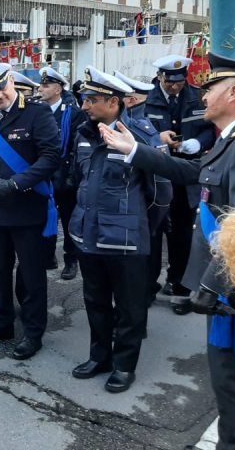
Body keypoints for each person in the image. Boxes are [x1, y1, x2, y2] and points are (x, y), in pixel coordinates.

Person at [100, 53, 235, 449]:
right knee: (227, 382)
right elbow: (196, 173)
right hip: (228, 286)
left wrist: (211, 284)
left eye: (210, 89)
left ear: (233, 93)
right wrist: (135, 150)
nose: (202, 97)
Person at [67, 67, 157, 393]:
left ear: (114, 102)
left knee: (130, 308)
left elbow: (159, 195)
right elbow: (80, 181)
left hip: (127, 240)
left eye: (92, 100)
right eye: (84, 99)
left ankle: (124, 365)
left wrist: (138, 228)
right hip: (89, 235)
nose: (85, 106)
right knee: (96, 301)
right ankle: (100, 356)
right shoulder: (84, 134)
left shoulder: (141, 135)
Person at [0, 63, 59, 360]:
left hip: (27, 208)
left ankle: (33, 332)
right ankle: (2, 322)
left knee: (31, 276)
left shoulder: (37, 112)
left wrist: (16, 185)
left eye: (0, 89)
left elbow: (50, 157)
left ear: (12, 83)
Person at [146, 55, 217, 311]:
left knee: (183, 235)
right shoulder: (147, 99)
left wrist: (198, 143)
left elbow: (210, 128)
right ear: (160, 77)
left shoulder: (197, 97)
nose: (175, 86)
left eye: (179, 81)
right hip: (157, 177)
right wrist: (157, 138)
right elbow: (137, 130)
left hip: (187, 177)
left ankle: (180, 286)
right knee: (153, 234)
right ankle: (148, 285)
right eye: (170, 82)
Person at [114, 70, 174, 306]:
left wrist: (150, 217)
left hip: (140, 213)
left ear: (129, 101)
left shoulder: (139, 131)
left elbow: (161, 186)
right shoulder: (137, 127)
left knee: (138, 267)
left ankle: (141, 301)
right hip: (130, 215)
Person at [38, 67, 87, 279]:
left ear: (58, 89)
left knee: (68, 220)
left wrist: (71, 177)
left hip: (65, 175)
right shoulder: (37, 111)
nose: (41, 89)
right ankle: (48, 255)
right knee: (44, 217)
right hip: (43, 175)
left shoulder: (73, 113)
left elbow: (77, 148)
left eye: (46, 85)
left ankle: (71, 258)